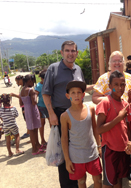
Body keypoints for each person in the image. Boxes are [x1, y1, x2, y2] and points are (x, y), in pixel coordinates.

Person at [42, 40, 93, 188]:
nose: (70, 53)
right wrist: (51, 113)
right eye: (67, 50)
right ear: (62, 52)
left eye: (73, 51)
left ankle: (78, 183)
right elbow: (46, 94)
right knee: (64, 152)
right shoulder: (53, 69)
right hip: (60, 115)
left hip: (77, 115)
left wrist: (99, 86)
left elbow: (82, 89)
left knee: (77, 149)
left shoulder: (78, 69)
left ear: (76, 52)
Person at [61, 80, 102, 188]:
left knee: (98, 179)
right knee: (81, 181)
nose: (76, 95)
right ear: (67, 95)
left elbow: (95, 128)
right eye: (73, 93)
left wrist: (99, 146)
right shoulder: (65, 116)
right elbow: (64, 138)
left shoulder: (91, 109)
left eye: (79, 92)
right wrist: (67, 160)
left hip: (92, 152)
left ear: (83, 94)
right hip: (76, 156)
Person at [96, 70, 131, 188]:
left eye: (122, 84)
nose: (119, 87)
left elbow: (126, 127)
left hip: (123, 148)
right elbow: (99, 129)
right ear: (110, 86)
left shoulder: (125, 103)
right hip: (110, 149)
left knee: (119, 179)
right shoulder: (105, 102)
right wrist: (118, 118)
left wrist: (129, 143)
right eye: (116, 84)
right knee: (109, 181)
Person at [20, 74, 44, 155]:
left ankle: (37, 145)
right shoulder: (31, 90)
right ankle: (35, 149)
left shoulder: (22, 90)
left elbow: (21, 103)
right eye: (33, 82)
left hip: (27, 111)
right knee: (35, 129)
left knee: (31, 130)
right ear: (30, 81)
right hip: (33, 110)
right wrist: (35, 96)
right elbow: (34, 102)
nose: (33, 84)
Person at [11, 75, 30, 139]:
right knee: (26, 119)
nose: (17, 83)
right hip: (23, 105)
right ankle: (29, 131)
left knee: (27, 119)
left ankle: (29, 132)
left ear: (21, 80)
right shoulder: (22, 87)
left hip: (26, 106)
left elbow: (23, 97)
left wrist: (14, 95)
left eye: (17, 82)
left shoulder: (25, 87)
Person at [35, 70, 50, 147]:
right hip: (41, 107)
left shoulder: (49, 84)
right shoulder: (38, 86)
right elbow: (35, 96)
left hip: (50, 106)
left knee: (52, 123)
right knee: (42, 123)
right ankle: (43, 140)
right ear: (41, 78)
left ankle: (53, 139)